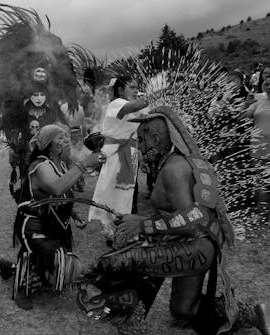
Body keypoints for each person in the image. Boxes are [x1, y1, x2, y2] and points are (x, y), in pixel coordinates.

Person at [77, 106, 269, 335]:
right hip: (197, 244)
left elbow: (194, 219)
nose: (139, 147)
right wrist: (140, 219)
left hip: (196, 245)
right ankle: (252, 314)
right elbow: (182, 215)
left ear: (156, 138)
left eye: (140, 140)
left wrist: (143, 225)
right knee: (183, 311)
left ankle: (132, 322)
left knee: (127, 259)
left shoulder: (174, 169)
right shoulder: (176, 161)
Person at [0, 124, 104, 310]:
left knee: (60, 270)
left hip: (55, 226)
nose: (67, 142)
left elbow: (59, 196)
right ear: (49, 146)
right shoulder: (40, 166)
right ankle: (23, 287)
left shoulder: (61, 165)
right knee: (56, 258)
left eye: (67, 138)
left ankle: (10, 268)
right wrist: (84, 164)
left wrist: (73, 214)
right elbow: (56, 187)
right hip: (34, 225)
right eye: (61, 139)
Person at [88, 76, 148, 237]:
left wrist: (141, 158)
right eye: (132, 87)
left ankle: (124, 229)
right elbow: (139, 104)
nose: (136, 90)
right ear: (121, 90)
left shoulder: (133, 107)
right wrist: (154, 93)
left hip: (130, 153)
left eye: (137, 87)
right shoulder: (117, 104)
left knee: (127, 194)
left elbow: (133, 134)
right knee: (112, 192)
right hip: (116, 155)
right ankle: (112, 230)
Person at [244, 74, 270, 219]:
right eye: (267, 84)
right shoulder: (258, 99)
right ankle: (262, 212)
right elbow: (243, 117)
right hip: (259, 146)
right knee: (260, 182)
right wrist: (246, 105)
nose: (269, 86)